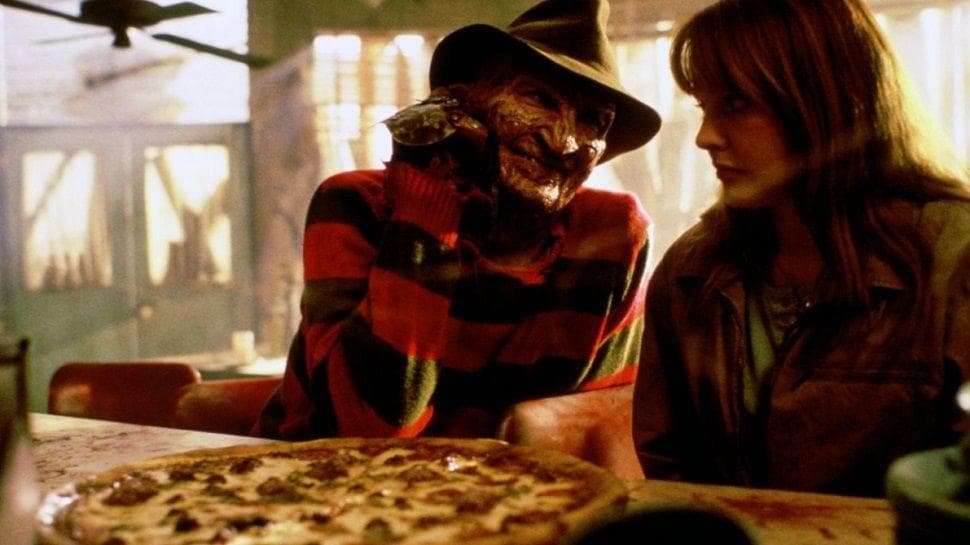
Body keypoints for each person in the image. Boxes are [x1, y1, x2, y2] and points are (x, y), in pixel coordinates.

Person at [256, 0, 661, 441]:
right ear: (465, 106)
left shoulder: (611, 233)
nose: (564, 143)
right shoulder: (356, 205)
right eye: (538, 98)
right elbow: (372, 427)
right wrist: (425, 204)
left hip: (511, 479)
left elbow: (594, 429)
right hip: (316, 471)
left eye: (592, 121)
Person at [633, 0, 970, 496]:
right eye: (705, 107)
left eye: (736, 104)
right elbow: (672, 470)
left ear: (827, 101)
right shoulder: (691, 270)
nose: (705, 137)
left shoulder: (954, 254)